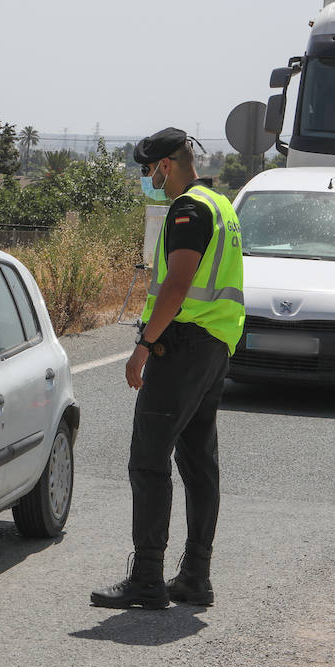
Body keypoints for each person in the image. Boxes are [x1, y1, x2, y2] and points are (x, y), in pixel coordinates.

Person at [90, 127, 246, 610]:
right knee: (199, 465)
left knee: (148, 460)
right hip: (215, 345)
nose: (147, 179)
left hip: (180, 346)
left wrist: (143, 345)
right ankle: (195, 577)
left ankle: (147, 578)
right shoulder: (222, 206)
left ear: (165, 165)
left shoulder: (189, 209)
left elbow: (177, 286)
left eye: (148, 169)